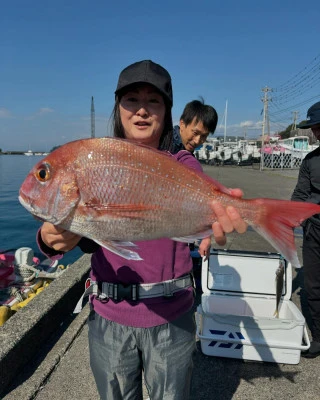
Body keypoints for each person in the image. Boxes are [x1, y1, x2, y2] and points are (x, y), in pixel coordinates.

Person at [38, 60, 248, 399]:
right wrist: (50, 239)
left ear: (167, 111)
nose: (141, 111)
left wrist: (219, 219)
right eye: (131, 100)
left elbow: (206, 199)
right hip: (108, 314)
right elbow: (85, 237)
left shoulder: (182, 164)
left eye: (154, 101)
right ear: (118, 107)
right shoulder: (98, 160)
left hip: (172, 314)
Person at [291, 101, 320, 359]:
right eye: (314, 128)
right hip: (314, 233)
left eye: (319, 127)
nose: (317, 132)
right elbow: (301, 193)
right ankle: (319, 336)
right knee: (312, 287)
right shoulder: (310, 161)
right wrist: (288, 216)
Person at [173, 98, 218, 259]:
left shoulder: (188, 154)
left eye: (204, 136)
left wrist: (205, 236)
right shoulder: (166, 149)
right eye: (195, 133)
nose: (198, 141)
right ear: (182, 124)